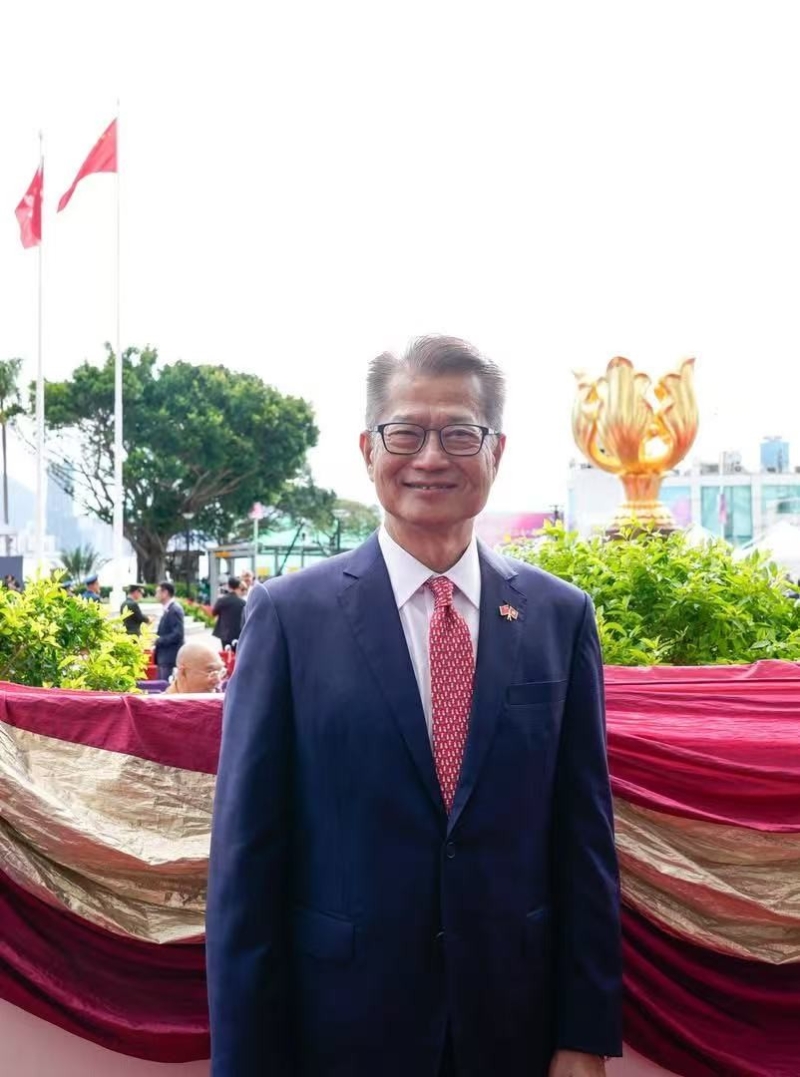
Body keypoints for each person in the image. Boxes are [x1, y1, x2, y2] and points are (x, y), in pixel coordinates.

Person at [207, 336, 622, 1077]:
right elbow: (247, 860)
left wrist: (583, 1033)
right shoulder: (290, 618)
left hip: (514, 1024)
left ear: (496, 450)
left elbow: (583, 840)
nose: (431, 457)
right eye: (406, 432)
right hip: (340, 1029)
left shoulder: (559, 618)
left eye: (459, 433)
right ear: (369, 448)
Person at [154, 580, 185, 682]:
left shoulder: (174, 610)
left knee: (165, 685)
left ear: (165, 593)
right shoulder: (169, 609)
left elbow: (178, 633)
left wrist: (158, 640)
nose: (156, 595)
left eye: (158, 592)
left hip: (169, 657)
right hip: (165, 656)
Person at [212, 577, 247, 649]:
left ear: (228, 586)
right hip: (238, 632)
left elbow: (213, 612)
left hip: (224, 633)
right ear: (239, 586)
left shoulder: (222, 600)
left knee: (226, 652)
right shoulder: (243, 602)